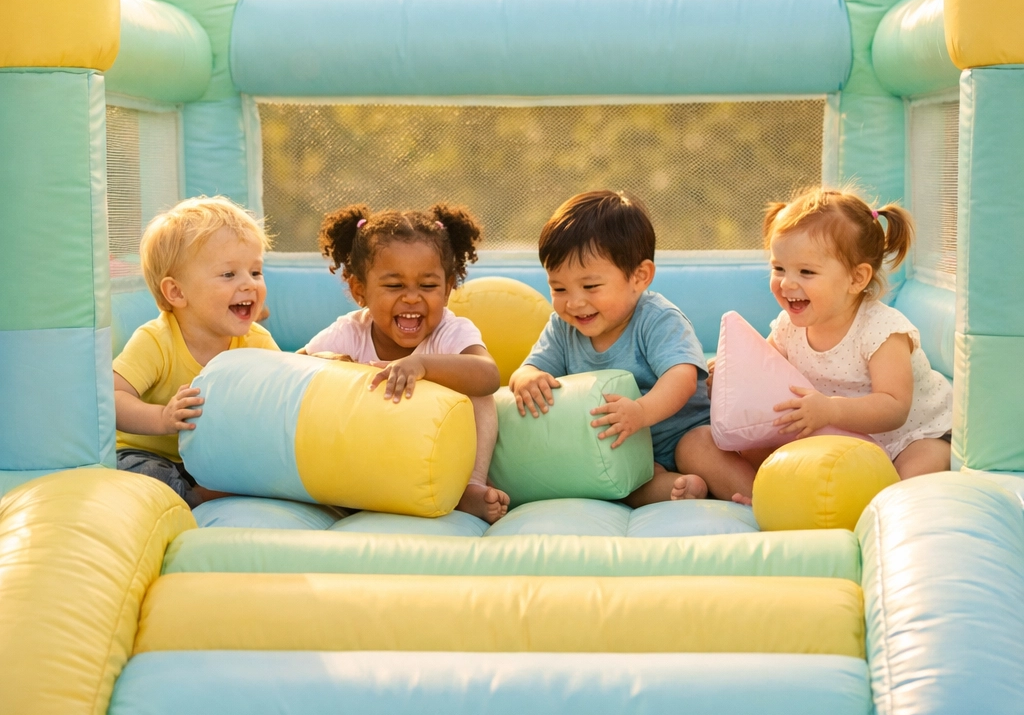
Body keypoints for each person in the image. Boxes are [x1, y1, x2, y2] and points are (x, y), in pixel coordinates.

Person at [721, 186, 953, 505]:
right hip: (841, 439)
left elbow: (894, 408)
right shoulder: (788, 326)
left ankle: (874, 503)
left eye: (806, 272)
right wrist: (730, 373)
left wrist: (831, 409)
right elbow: (761, 370)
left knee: (914, 473)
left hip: (911, 436)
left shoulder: (882, 330)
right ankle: (778, 496)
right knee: (752, 446)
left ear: (856, 279)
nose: (787, 283)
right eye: (779, 268)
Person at [508, 189, 738, 506]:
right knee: (621, 482)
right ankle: (681, 488)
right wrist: (526, 377)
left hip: (683, 433)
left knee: (699, 448)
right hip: (627, 448)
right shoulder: (563, 328)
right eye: (559, 288)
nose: (574, 302)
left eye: (590, 286)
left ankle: (756, 496)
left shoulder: (656, 318)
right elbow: (530, 368)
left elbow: (682, 377)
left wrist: (641, 412)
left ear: (639, 277)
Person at [302, 202, 508, 524]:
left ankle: (471, 485)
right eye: (394, 286)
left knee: (479, 394)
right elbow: (291, 370)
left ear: (448, 288)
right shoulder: (350, 333)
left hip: (435, 462)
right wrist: (332, 364)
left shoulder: (450, 332)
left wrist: (423, 364)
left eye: (427, 286)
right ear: (359, 290)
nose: (412, 297)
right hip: (370, 463)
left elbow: (489, 375)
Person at [113, 196, 279, 507]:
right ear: (177, 292)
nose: (249, 284)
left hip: (213, 457)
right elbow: (111, 398)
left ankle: (206, 492)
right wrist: (161, 418)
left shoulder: (256, 341)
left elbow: (283, 391)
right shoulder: (156, 340)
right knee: (146, 478)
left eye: (255, 272)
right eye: (229, 274)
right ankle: (196, 497)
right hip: (150, 454)